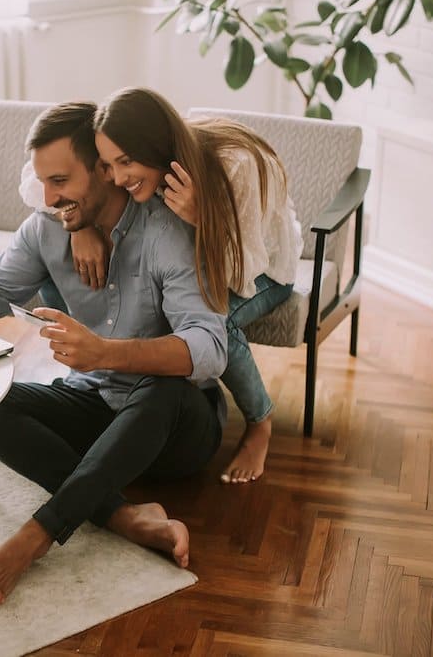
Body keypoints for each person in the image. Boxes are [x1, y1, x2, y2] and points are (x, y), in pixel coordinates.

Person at [0, 101, 228, 605]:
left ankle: (34, 539)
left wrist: (106, 352)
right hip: (97, 405)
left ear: (106, 172)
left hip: (176, 429)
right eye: (43, 182)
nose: (49, 197)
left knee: (164, 389)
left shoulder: (165, 232)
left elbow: (211, 348)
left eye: (61, 181)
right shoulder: (49, 226)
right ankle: (122, 514)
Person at [81, 87, 304, 486]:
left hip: (263, 271)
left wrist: (205, 220)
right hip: (205, 267)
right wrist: (81, 228)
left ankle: (260, 422)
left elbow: (244, 272)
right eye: (109, 164)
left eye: (126, 161)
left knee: (220, 324)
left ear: (152, 144)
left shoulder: (238, 166)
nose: (117, 177)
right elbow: (37, 179)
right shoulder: (153, 169)